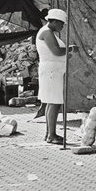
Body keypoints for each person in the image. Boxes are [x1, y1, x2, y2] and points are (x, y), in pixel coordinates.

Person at [36, 8, 77, 144]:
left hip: (53, 71)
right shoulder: (47, 32)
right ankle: (51, 135)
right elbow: (57, 51)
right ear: (54, 21)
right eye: (61, 24)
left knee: (52, 102)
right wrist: (69, 49)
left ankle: (49, 133)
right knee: (55, 102)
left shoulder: (48, 32)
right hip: (51, 72)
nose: (62, 26)